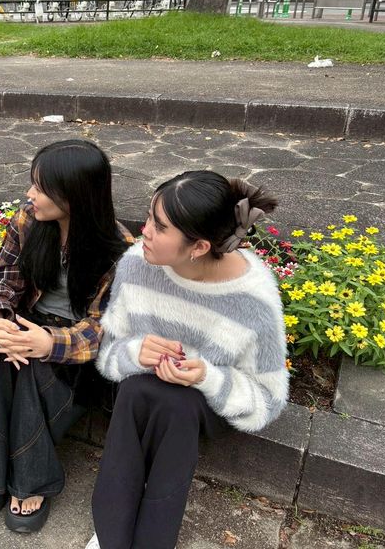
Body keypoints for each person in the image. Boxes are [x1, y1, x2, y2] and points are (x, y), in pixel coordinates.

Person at [86, 171, 289, 549]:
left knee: (174, 404)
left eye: (159, 227)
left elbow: (268, 399)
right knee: (139, 390)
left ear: (198, 247)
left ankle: (137, 537)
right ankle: (115, 532)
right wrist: (134, 352)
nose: (144, 231)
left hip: (203, 407)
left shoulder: (253, 300)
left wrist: (207, 377)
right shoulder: (136, 264)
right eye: (149, 217)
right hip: (140, 395)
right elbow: (109, 353)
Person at [0, 139, 134, 534]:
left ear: (75, 196)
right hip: (30, 321)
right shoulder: (29, 220)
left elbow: (106, 328)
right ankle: (28, 480)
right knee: (1, 357)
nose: (29, 194)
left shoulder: (119, 249)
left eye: (41, 188)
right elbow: (1, 280)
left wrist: (49, 343)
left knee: (31, 370)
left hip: (79, 348)